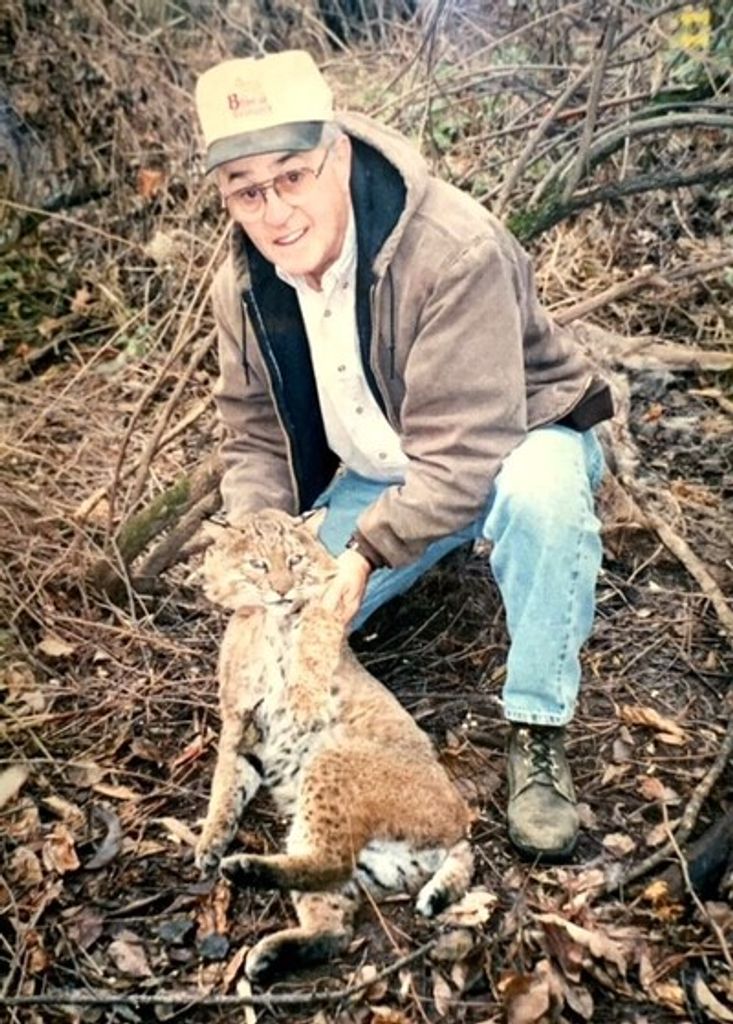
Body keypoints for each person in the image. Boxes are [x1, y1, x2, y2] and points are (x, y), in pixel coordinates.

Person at [194, 50, 613, 860]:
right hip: (383, 473)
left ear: (337, 156)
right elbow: (249, 432)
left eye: (292, 176)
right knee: (281, 609)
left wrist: (364, 552)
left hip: (511, 443)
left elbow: (467, 454)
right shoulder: (243, 287)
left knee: (542, 501)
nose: (276, 212)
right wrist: (258, 536)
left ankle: (537, 728)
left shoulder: (452, 249)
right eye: (248, 191)